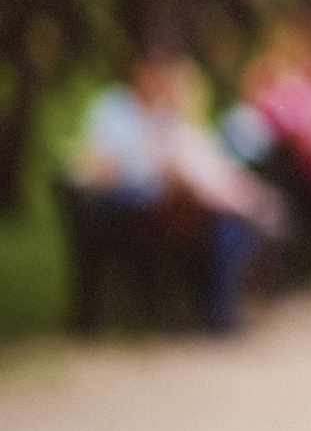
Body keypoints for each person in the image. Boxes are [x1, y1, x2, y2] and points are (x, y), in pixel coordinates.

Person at [67, 50, 286, 332]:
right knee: (223, 219)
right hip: (127, 203)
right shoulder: (114, 108)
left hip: (168, 203)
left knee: (226, 225)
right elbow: (98, 166)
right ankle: (220, 311)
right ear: (139, 72)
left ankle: (220, 309)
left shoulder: (168, 118)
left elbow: (192, 166)